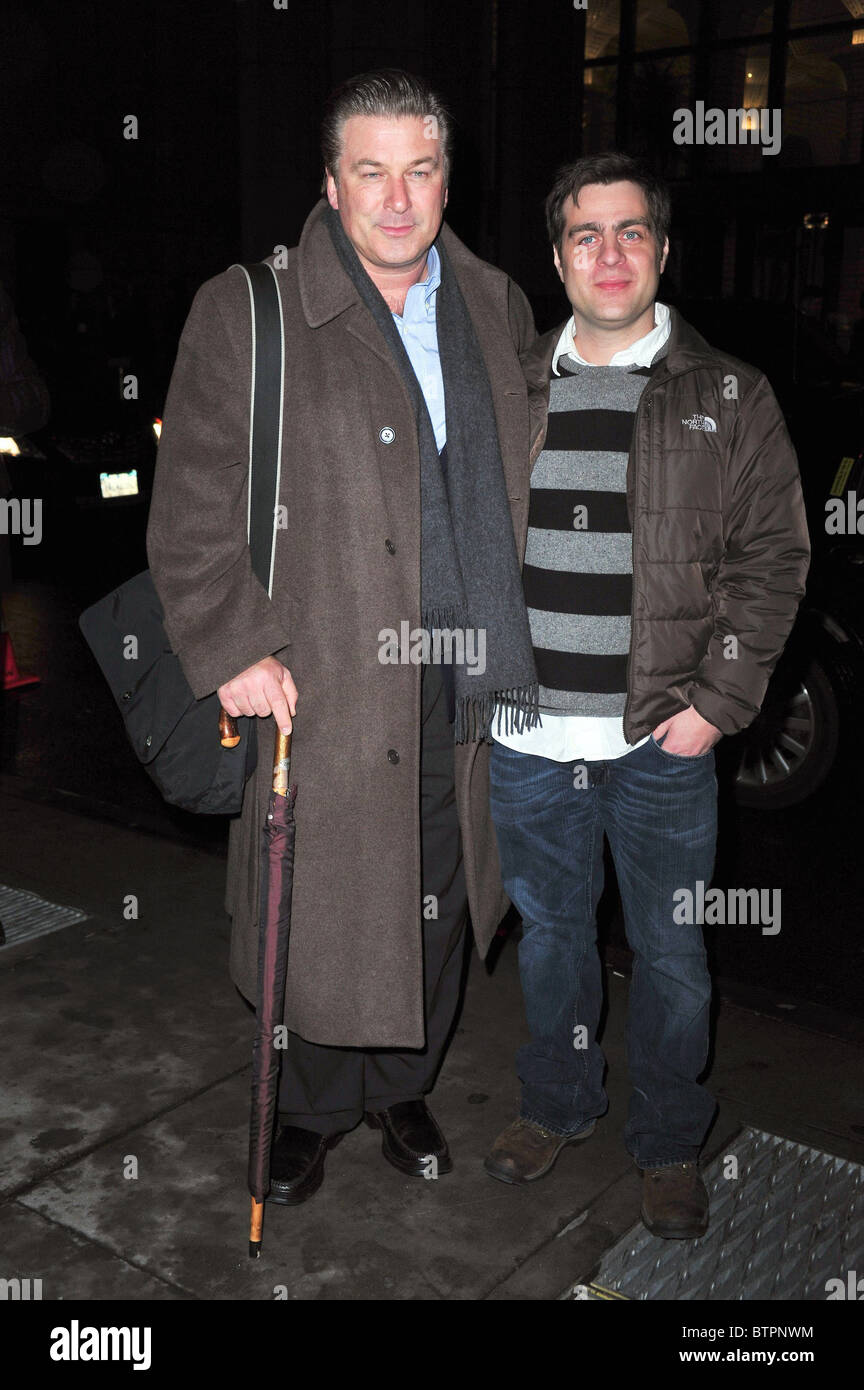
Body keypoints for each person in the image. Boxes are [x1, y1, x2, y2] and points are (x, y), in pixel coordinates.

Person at [147, 69, 542, 1205]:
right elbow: (190, 511)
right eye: (370, 171)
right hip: (319, 671)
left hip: (462, 670)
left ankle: (401, 1087)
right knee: (316, 902)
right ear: (332, 184)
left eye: (420, 169)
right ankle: (312, 1108)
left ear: (446, 179)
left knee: (439, 887)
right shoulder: (250, 309)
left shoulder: (493, 306)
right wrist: (230, 646)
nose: (398, 196)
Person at [483, 152, 810, 1238]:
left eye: (631, 233)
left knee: (672, 954)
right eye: (587, 234)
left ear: (662, 253)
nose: (609, 253)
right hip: (532, 736)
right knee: (550, 939)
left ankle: (668, 1141)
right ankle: (556, 1104)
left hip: (659, 741)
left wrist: (717, 703)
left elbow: (775, 556)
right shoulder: (510, 384)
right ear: (559, 254)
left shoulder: (730, 392)